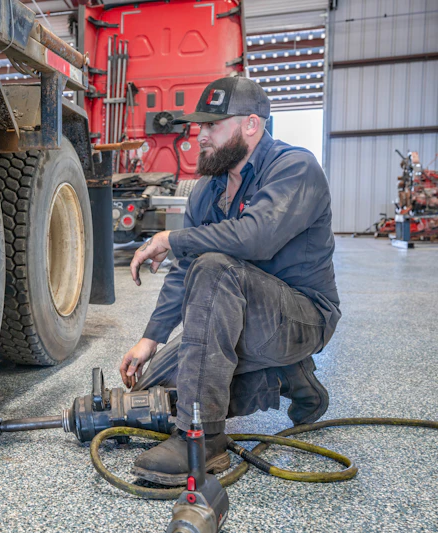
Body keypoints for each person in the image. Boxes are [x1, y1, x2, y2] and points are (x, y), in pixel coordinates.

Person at [119, 76, 340, 486]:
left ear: (250, 125)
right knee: (156, 395)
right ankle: (286, 377)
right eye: (199, 126)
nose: (199, 135)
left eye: (211, 125)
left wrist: (172, 238)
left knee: (216, 268)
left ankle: (202, 438)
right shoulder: (208, 189)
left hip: (303, 317)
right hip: (243, 313)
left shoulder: (295, 168)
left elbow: (256, 236)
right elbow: (185, 269)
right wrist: (151, 337)